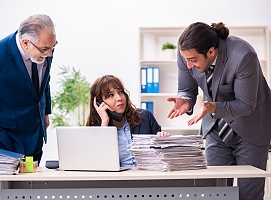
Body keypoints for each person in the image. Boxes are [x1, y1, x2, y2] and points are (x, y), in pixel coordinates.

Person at [166, 22, 271, 200]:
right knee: (213, 193)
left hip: (251, 128)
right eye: (186, 60)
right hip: (216, 128)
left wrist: (214, 107)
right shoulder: (186, 54)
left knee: (249, 195)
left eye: (193, 60)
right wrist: (186, 100)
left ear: (211, 51)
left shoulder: (243, 56)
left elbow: (246, 104)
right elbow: (187, 88)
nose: (189, 65)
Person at [0, 14, 57, 186]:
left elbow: (44, 81)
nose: (49, 54)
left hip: (34, 137)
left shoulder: (44, 49)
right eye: (44, 49)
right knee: (3, 195)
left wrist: (45, 111)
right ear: (25, 43)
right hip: (4, 144)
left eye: (53, 47)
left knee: (31, 193)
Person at [86, 75, 169, 167]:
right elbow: (99, 163)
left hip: (148, 175)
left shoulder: (145, 116)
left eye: (120, 92)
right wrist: (105, 122)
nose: (119, 98)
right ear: (99, 103)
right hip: (119, 179)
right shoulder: (96, 130)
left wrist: (164, 140)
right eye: (111, 95)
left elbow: (164, 156)